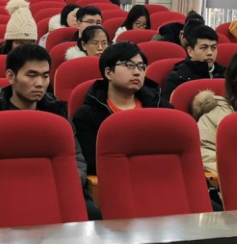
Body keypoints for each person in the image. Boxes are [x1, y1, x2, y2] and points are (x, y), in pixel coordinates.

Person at [0, 44, 101, 220]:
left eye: (45, 76)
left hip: (58, 190)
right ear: (11, 76)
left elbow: (76, 158)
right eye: (31, 75)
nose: (40, 83)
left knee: (92, 215)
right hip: (8, 195)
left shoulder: (57, 114)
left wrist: (64, 187)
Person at [73, 41, 172, 176]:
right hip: (118, 180)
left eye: (141, 67)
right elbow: (94, 163)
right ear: (108, 73)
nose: (137, 72)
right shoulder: (88, 116)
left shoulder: (160, 106)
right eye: (129, 65)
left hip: (163, 177)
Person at [162, 25, 224, 99]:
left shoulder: (225, 74)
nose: (210, 53)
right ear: (190, 51)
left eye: (213, 48)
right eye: (204, 48)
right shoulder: (177, 78)